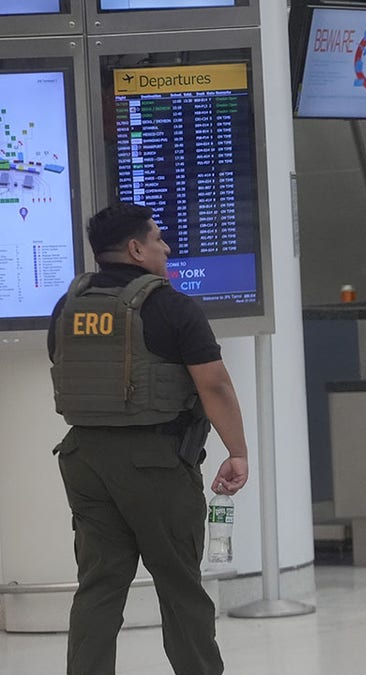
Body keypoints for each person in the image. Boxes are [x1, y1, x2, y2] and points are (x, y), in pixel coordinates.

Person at [48, 202, 251, 675]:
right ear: (136, 248)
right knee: (180, 586)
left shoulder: (67, 305)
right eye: (159, 238)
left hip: (83, 459)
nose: (167, 247)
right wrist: (237, 451)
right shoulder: (169, 305)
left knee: (99, 586)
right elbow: (214, 384)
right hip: (155, 462)